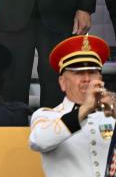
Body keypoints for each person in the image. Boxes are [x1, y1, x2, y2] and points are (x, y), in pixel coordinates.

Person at [29, 34, 114, 177]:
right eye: (78, 73)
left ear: (100, 79)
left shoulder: (111, 114)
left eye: (92, 72)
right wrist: (85, 109)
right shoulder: (47, 115)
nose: (87, 79)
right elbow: (39, 141)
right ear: (62, 82)